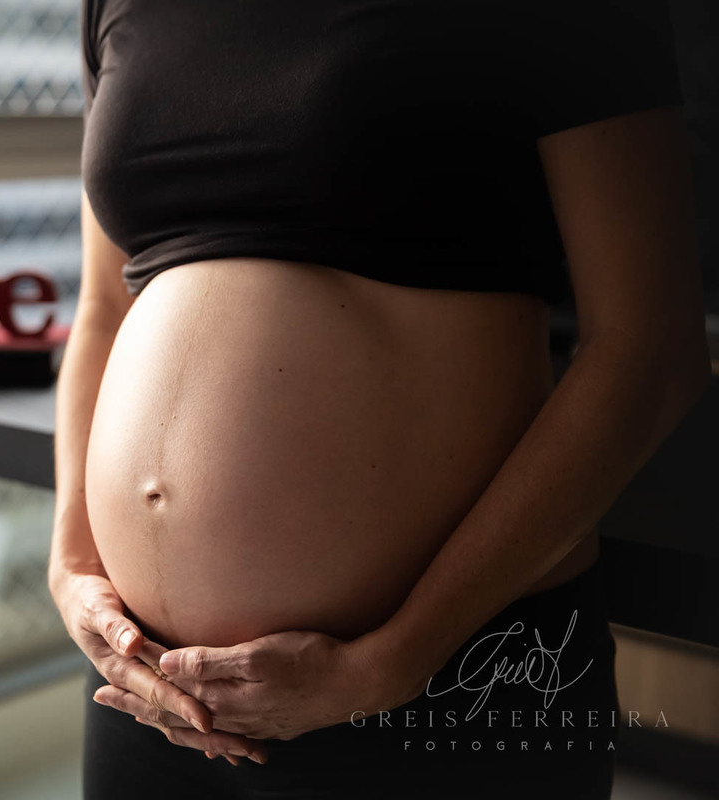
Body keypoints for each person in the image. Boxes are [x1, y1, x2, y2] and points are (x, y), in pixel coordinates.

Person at [48, 0, 711, 797]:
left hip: (450, 676)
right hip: (148, 697)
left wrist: (391, 660)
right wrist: (70, 565)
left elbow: (648, 347)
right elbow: (101, 310)